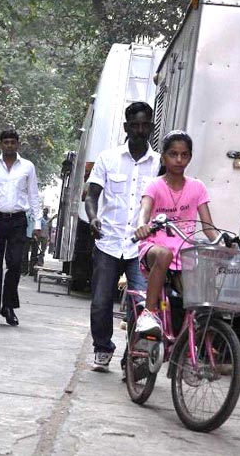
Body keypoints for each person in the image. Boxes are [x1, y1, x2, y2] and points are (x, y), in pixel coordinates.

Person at [85, 101, 160, 372]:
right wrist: (93, 217)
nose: (140, 130)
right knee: (101, 301)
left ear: (151, 127)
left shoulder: (159, 164)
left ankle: (134, 355)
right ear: (127, 127)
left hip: (142, 246)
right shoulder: (108, 158)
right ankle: (102, 348)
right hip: (108, 241)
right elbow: (92, 195)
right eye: (135, 125)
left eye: (145, 125)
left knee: (141, 305)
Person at [134, 130, 219, 337]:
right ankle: (149, 312)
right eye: (173, 154)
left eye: (184, 154)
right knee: (164, 254)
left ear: (190, 157)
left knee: (205, 282)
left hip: (185, 254)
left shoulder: (197, 187)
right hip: (154, 249)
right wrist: (142, 226)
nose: (179, 159)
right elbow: (144, 212)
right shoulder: (154, 185)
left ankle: (197, 341)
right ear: (163, 156)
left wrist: (223, 242)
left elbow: (208, 227)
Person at [0, 129, 41, 326]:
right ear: (1, 144)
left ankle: (8, 306)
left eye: (12, 142)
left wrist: (37, 224)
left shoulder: (27, 167)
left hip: (18, 220)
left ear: (18, 144)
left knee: (15, 263)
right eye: (6, 142)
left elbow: (33, 195)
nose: (9, 145)